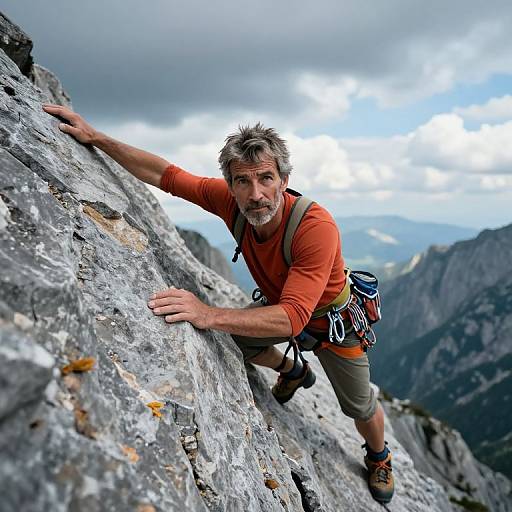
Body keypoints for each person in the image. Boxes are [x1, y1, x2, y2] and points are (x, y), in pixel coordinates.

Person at [42, 103, 395, 504]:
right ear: (229, 183)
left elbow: (294, 318)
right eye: (242, 181)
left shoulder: (315, 228)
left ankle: (380, 456)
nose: (255, 194)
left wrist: (207, 314)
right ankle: (292, 369)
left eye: (266, 178)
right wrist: (97, 138)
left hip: (331, 323)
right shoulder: (230, 202)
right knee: (236, 343)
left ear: (284, 180)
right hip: (283, 307)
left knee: (360, 407)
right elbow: (165, 175)